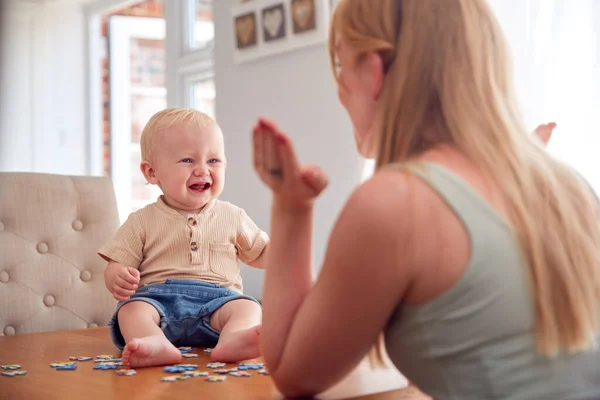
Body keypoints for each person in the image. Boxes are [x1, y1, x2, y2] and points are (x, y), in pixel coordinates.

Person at [252, 0, 600, 398]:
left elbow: (294, 374)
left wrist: (291, 206)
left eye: (340, 63)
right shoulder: (569, 184)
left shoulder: (397, 203)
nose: (340, 90)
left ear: (374, 70)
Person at [99, 108, 268, 368]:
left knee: (249, 308)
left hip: (218, 303)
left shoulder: (233, 216)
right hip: (158, 301)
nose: (203, 170)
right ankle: (153, 342)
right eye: (188, 161)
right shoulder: (142, 220)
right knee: (131, 310)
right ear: (152, 172)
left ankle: (233, 339)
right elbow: (116, 263)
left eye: (213, 161)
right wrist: (117, 276)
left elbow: (259, 254)